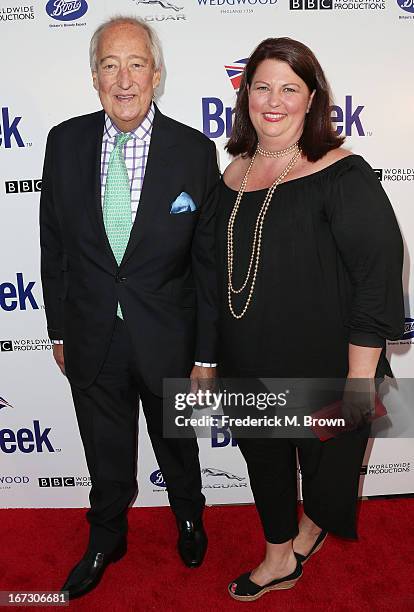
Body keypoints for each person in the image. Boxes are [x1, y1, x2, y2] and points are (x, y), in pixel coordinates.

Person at [216, 37, 404, 602]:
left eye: (289, 88)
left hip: (324, 365)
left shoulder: (343, 172)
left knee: (325, 477)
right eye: (262, 86)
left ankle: (312, 527)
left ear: (313, 98)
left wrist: (355, 383)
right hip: (246, 362)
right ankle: (278, 557)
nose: (273, 101)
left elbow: (376, 276)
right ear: (246, 93)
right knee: (266, 467)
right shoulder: (233, 173)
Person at [40, 16, 219, 599]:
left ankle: (189, 517)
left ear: (157, 73)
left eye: (136, 64)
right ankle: (106, 536)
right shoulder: (63, 142)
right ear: (94, 76)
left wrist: (206, 352)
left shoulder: (194, 150)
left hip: (168, 336)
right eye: (110, 65)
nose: (124, 79)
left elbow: (207, 265)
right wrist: (59, 329)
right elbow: (54, 245)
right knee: (104, 447)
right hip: (92, 333)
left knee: (177, 444)